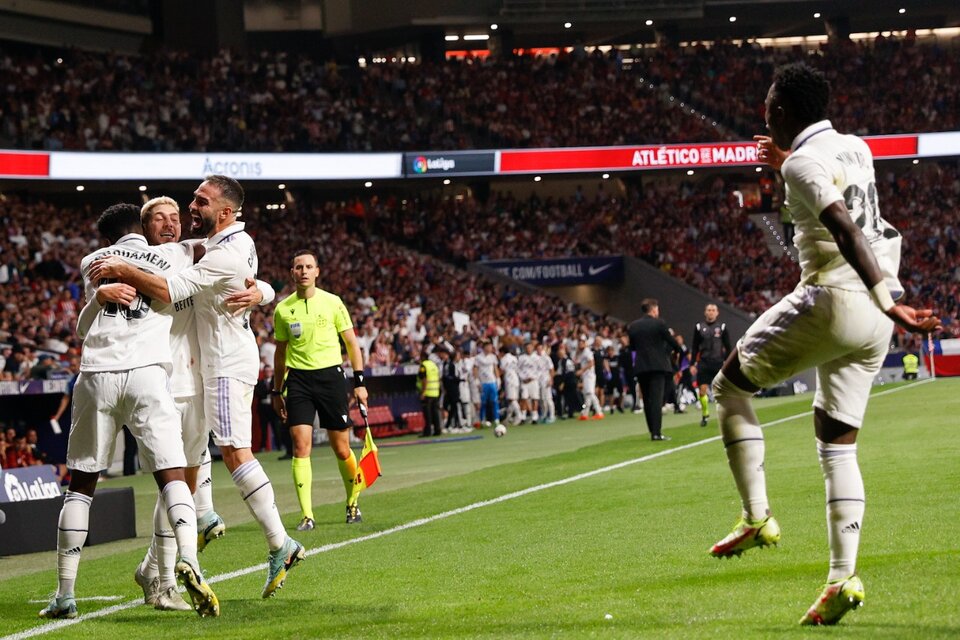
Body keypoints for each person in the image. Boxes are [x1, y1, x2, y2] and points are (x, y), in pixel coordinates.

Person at [711, 63, 940, 626]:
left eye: (768, 103)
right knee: (837, 446)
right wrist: (886, 305)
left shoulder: (804, 164)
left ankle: (757, 516)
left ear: (784, 110)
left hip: (835, 300)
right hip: (872, 323)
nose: (764, 112)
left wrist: (890, 300)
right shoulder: (854, 147)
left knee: (727, 389)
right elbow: (835, 192)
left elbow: (843, 226)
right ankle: (842, 578)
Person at [91, 176, 304, 599]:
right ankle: (163, 563)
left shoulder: (198, 254)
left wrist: (262, 290)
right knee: (181, 477)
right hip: (170, 380)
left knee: (209, 463)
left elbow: (194, 283)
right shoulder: (196, 251)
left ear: (225, 212)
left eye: (189, 207)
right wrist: (262, 289)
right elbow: (247, 275)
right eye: (161, 217)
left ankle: (272, 542)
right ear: (143, 229)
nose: (178, 218)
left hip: (216, 368)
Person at [40, 203, 219, 620]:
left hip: (95, 373)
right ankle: (189, 560)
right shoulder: (175, 254)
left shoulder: (94, 260)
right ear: (143, 227)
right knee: (174, 476)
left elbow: (87, 323)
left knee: (81, 483)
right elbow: (210, 248)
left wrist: (103, 289)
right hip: (148, 373)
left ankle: (65, 593)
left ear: (106, 238)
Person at [270, 249, 368, 529]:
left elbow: (351, 344)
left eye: (308, 266)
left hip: (331, 378)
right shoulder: (283, 309)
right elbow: (280, 355)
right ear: (292, 273)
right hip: (298, 381)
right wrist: (277, 392)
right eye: (298, 267)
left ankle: (352, 504)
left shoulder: (333, 303)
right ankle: (307, 515)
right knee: (301, 446)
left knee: (342, 448)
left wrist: (359, 383)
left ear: (317, 271)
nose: (303, 271)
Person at [627, 299, 682, 441]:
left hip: (641, 366)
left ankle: (652, 430)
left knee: (647, 400)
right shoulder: (659, 323)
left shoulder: (633, 326)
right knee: (657, 399)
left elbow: (632, 347)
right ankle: (656, 433)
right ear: (653, 309)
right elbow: (672, 341)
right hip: (658, 366)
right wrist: (678, 351)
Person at [691, 303, 732, 427]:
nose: (711, 312)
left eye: (713, 310)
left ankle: (726, 416)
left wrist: (728, 361)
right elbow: (694, 347)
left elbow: (728, 346)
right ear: (705, 312)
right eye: (709, 310)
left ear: (717, 312)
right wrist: (693, 363)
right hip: (703, 362)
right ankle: (705, 414)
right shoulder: (699, 327)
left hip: (718, 363)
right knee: (702, 391)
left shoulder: (722, 327)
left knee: (723, 391)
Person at [473, 342, 501, 428]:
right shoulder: (478, 357)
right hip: (483, 382)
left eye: (491, 347)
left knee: (494, 401)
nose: (490, 348)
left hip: (492, 381)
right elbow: (475, 369)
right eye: (488, 346)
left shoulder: (493, 357)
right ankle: (482, 420)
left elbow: (495, 368)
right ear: (484, 347)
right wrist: (476, 380)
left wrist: (498, 379)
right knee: (483, 402)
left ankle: (496, 419)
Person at [576, 336, 602, 420]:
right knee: (587, 394)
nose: (580, 344)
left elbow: (591, 363)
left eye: (582, 342)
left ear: (585, 343)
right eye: (579, 342)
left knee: (590, 393)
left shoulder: (587, 351)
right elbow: (575, 360)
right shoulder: (582, 352)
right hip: (586, 376)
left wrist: (581, 370)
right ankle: (585, 414)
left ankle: (599, 412)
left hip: (589, 375)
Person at [418, 349, 442, 437]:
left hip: (428, 392)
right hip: (435, 392)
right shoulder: (434, 365)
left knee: (427, 414)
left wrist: (423, 392)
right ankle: (437, 430)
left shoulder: (423, 366)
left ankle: (427, 432)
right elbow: (438, 378)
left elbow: (424, 380)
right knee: (435, 412)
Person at [439, 348, 463, 432]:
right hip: (450, 389)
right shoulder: (448, 364)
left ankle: (453, 425)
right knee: (450, 406)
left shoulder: (450, 364)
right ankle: (453, 425)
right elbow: (449, 377)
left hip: (452, 388)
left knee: (453, 406)